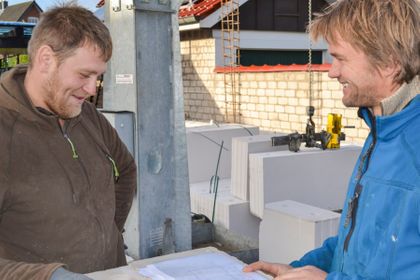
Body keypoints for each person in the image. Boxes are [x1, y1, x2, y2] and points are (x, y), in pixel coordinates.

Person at [244, 0, 419, 279]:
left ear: (389, 64)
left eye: (341, 59)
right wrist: (303, 268)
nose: (332, 71)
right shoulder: (381, 134)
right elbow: (357, 243)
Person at [0, 5, 137, 280]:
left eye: (98, 77)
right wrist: (49, 276)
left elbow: (126, 169)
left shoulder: (86, 115)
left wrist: (109, 234)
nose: (91, 90)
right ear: (46, 59)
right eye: (84, 75)